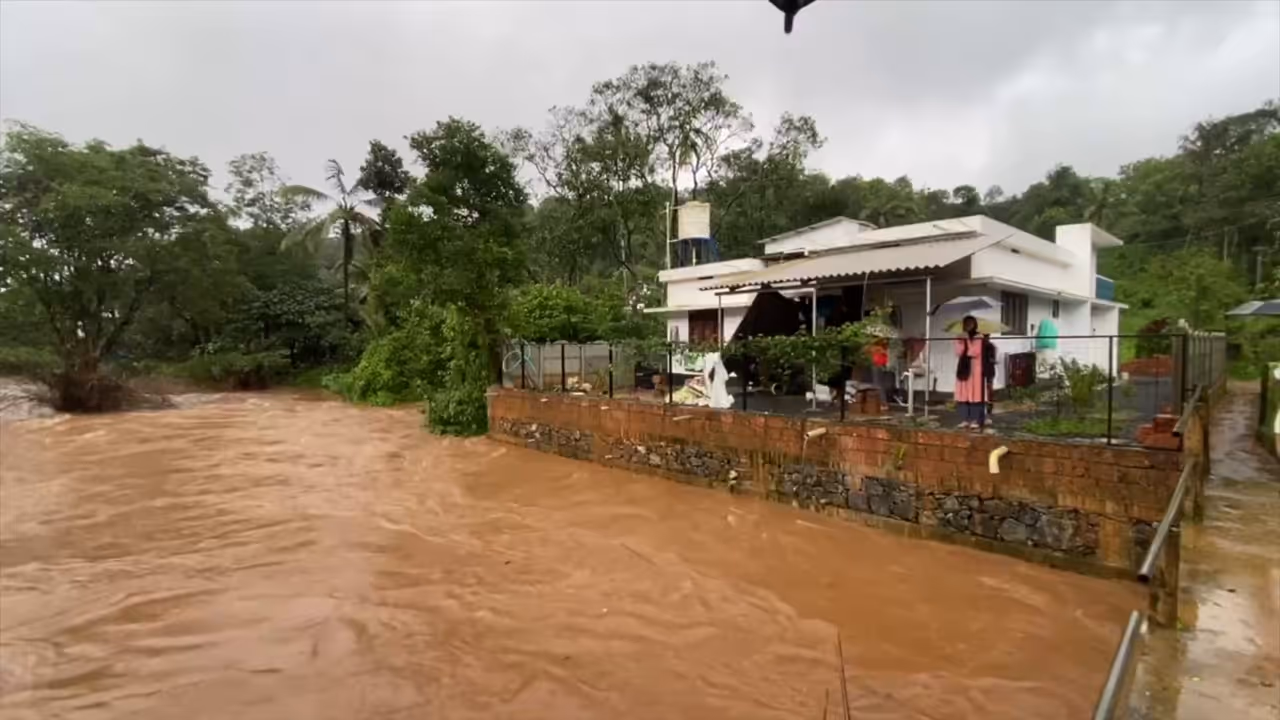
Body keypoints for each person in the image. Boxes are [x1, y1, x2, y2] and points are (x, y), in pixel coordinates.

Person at [954, 316, 987, 429]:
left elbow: (973, 352)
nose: (968, 325)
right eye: (966, 323)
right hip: (963, 368)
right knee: (963, 395)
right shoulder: (960, 336)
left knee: (975, 395)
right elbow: (959, 352)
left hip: (975, 370)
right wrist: (960, 341)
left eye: (971, 323)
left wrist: (967, 339)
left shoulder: (979, 337)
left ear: (975, 324)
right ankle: (964, 419)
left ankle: (975, 420)